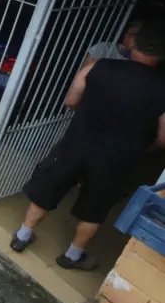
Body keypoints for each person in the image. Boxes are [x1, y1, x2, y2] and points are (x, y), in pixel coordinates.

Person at [10, 21, 165, 270]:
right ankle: (72, 256)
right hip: (117, 158)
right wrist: (146, 147)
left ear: (133, 43)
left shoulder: (98, 66)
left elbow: (71, 100)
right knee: (96, 206)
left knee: (50, 186)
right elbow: (163, 138)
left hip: (77, 143)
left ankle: (22, 235)